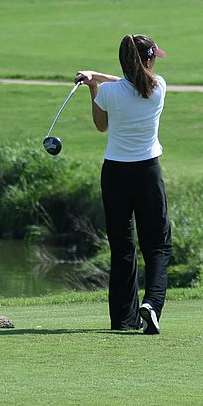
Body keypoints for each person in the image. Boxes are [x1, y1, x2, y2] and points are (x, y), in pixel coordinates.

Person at [75, 34, 171, 335]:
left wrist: (93, 85)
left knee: (122, 247)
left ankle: (123, 320)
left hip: (115, 175)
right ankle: (152, 305)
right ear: (149, 60)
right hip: (147, 174)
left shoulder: (109, 93)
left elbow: (101, 125)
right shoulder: (159, 88)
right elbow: (131, 81)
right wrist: (98, 78)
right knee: (156, 246)